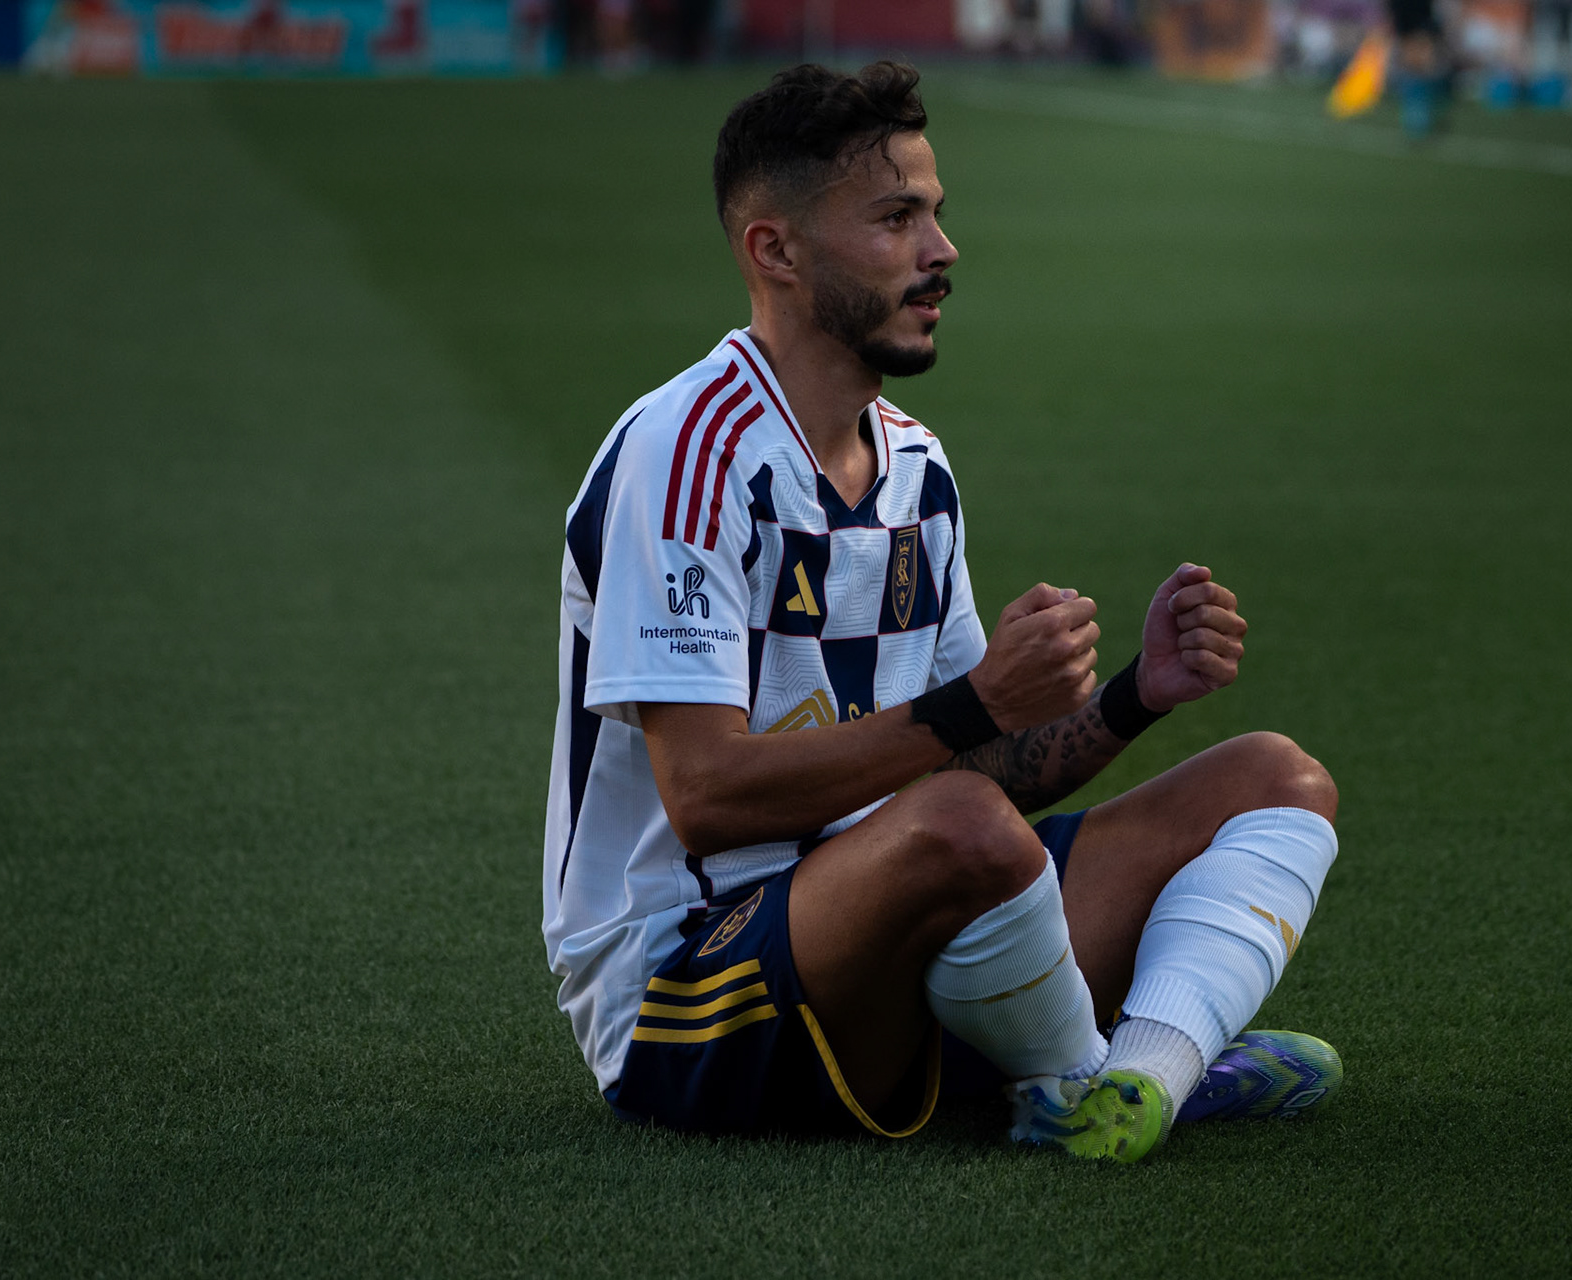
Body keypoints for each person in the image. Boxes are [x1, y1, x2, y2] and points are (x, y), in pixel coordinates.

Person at [541, 61, 1343, 1163]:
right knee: (961, 821)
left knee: (1273, 776)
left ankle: (1146, 1073)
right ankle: (1087, 1082)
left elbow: (983, 767)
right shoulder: (686, 454)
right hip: (687, 987)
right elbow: (708, 797)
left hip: (893, 924)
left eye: (936, 213)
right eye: (896, 218)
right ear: (775, 251)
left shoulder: (917, 466)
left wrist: (1132, 699)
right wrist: (973, 703)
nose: (942, 249)